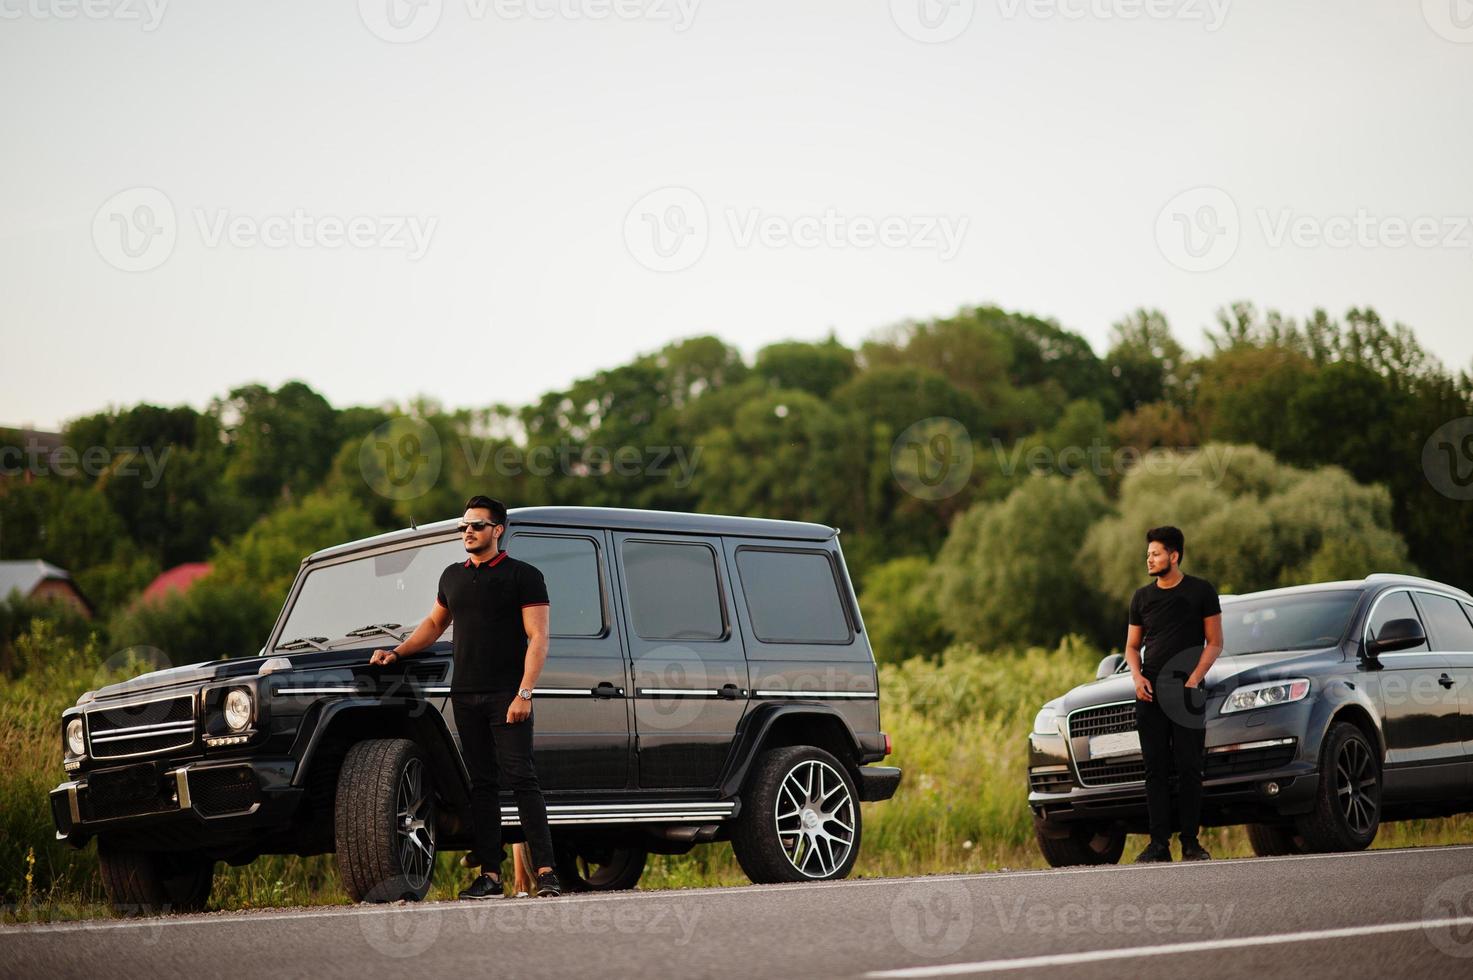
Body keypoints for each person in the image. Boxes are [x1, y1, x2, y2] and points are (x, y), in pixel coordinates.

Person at [370, 495, 561, 898]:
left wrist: (524, 693)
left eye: (476, 525)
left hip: (508, 695)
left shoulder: (523, 575)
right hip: (466, 695)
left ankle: (546, 873)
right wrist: (397, 651)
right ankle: (490, 876)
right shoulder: (452, 577)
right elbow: (435, 624)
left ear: (498, 529)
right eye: (464, 526)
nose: (468, 532)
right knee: (482, 786)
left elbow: (539, 637)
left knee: (523, 779)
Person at [1125, 525, 1223, 863]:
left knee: (1189, 766)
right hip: (1150, 693)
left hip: (1187, 690)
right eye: (1148, 554)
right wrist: (1137, 677)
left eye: (1155, 554)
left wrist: (1196, 678)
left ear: (1174, 556)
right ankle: (1158, 845)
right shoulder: (1141, 598)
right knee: (1154, 767)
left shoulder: (1201, 591)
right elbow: (1132, 647)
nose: (1149, 559)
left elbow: (1215, 642)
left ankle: (1191, 843)